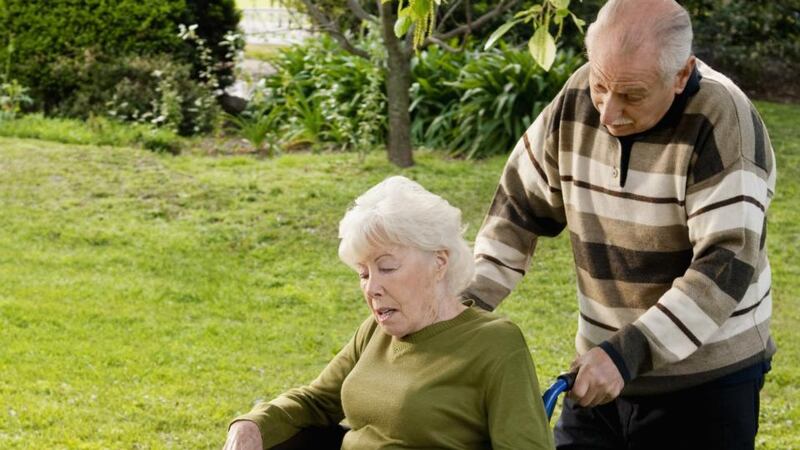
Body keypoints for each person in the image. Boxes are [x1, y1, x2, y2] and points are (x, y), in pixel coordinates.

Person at [461, 0, 776, 449]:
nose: (608, 113)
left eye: (632, 95)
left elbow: (724, 266)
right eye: (601, 85)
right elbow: (517, 209)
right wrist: (463, 306)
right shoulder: (577, 98)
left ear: (682, 74)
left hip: (706, 383)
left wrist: (626, 355)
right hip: (600, 371)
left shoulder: (723, 120)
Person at [223, 176, 555, 449]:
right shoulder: (375, 331)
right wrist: (252, 424)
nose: (371, 288)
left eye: (387, 267)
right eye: (364, 274)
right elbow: (316, 401)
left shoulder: (495, 344)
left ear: (439, 262)